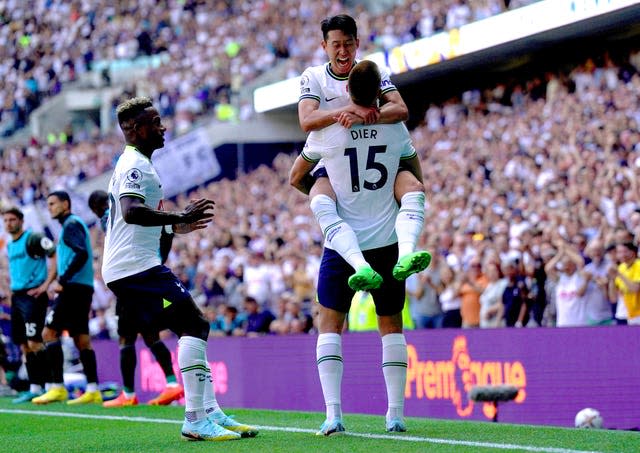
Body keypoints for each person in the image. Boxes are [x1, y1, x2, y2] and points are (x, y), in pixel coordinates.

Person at [101, 96, 256, 441]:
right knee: (195, 323)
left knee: (193, 325)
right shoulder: (134, 166)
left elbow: (137, 220)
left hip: (133, 266)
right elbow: (130, 211)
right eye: (155, 122)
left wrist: (172, 226)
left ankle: (210, 412)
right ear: (136, 129)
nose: (163, 127)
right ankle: (195, 418)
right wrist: (177, 216)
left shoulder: (137, 162)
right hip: (134, 268)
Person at [290, 60, 418, 435]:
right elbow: (412, 170)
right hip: (388, 240)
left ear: (346, 91)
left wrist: (325, 190)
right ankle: (395, 415)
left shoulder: (328, 132)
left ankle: (334, 414)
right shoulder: (395, 129)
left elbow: (295, 176)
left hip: (342, 242)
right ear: (381, 92)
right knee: (391, 325)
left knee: (329, 324)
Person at [295, 14, 430, 291]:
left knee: (413, 186)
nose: (342, 51)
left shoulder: (371, 71)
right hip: (335, 154)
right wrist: (345, 111)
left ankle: (404, 253)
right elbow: (307, 121)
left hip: (376, 148)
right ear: (324, 46)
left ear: (357, 43)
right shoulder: (314, 76)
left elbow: (401, 109)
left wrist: (369, 116)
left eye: (348, 44)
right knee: (321, 194)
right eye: (336, 45)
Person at [87, 189, 185, 407]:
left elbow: (116, 234)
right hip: (150, 276)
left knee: (127, 338)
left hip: (131, 278)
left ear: (96, 209)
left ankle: (131, 394)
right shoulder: (155, 216)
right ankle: (170, 384)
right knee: (150, 335)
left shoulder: (113, 215)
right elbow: (168, 235)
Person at [32, 191, 102, 405]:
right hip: (82, 288)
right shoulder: (71, 225)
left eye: (53, 203)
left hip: (73, 288)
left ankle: (57, 387)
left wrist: (63, 280)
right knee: (81, 339)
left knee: (48, 333)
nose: (50, 207)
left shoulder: (71, 224)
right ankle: (93, 389)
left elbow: (80, 253)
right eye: (48, 204)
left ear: (66, 204)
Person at [3, 207, 56, 403]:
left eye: (12, 219)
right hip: (17, 298)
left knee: (35, 341)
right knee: (24, 344)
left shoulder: (33, 238)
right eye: (6, 220)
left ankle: (51, 385)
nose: (8, 223)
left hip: (33, 295)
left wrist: (46, 284)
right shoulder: (9, 245)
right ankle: (34, 386)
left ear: (21, 221)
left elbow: (53, 253)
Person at [608, 241, 640, 325]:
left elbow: (635, 288)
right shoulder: (621, 267)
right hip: (625, 314)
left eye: (624, 251)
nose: (621, 255)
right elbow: (613, 298)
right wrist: (611, 278)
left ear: (632, 252)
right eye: (619, 252)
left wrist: (619, 274)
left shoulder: (638, 265)